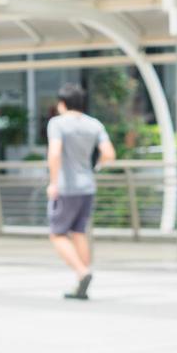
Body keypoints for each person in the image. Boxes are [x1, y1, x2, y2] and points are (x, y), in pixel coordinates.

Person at [45, 83, 115, 300]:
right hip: (87, 185)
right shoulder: (94, 124)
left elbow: (54, 153)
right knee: (78, 232)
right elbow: (109, 153)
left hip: (65, 187)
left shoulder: (57, 124)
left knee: (57, 234)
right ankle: (82, 281)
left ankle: (82, 272)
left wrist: (53, 182)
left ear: (63, 103)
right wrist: (96, 167)